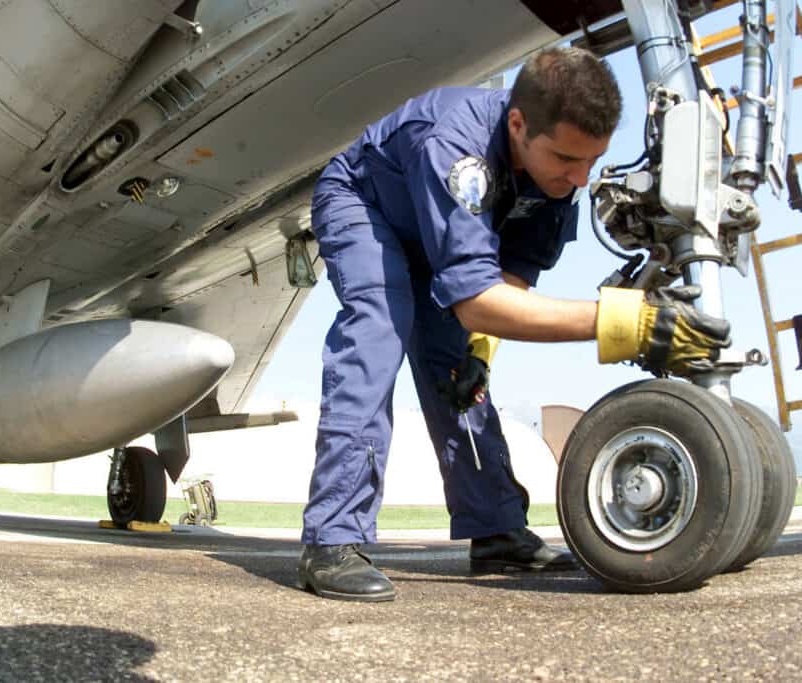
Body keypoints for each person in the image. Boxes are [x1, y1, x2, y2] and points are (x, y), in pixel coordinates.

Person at [296, 47, 731, 602]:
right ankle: (331, 539)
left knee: (458, 373)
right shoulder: (456, 147)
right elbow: (479, 300)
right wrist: (628, 323)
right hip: (365, 205)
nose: (579, 179)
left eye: (591, 162)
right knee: (379, 328)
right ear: (519, 124)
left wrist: (480, 352)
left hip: (441, 247)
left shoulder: (555, 181)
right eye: (567, 160)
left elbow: (509, 284)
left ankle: (496, 528)